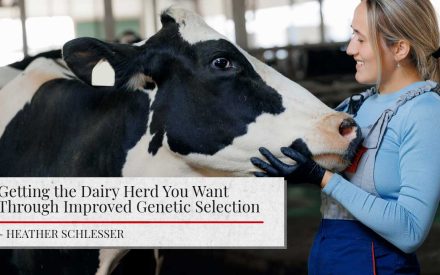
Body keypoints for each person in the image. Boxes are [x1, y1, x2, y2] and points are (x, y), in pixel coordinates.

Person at [251, 0, 440, 274]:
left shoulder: (424, 111)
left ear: (399, 48)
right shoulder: (357, 105)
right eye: (352, 35)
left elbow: (410, 231)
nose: (350, 49)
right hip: (328, 257)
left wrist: (322, 178)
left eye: (360, 39)